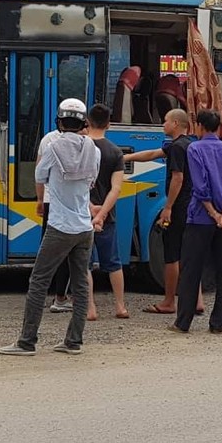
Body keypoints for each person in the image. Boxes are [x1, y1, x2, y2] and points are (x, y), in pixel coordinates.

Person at [0, 98, 100, 355]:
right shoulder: (94, 150)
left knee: (39, 281)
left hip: (59, 226)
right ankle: (73, 341)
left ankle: (27, 342)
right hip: (84, 227)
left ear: (59, 121)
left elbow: (39, 176)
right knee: (80, 285)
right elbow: (91, 181)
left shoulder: (52, 147)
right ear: (83, 123)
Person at [173, 109, 222, 334]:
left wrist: (214, 214)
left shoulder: (195, 149)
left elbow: (200, 186)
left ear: (201, 127)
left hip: (201, 219)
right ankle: (218, 324)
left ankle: (183, 322)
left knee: (192, 271)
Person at [124, 109, 201, 315]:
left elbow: (178, 178)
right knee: (190, 254)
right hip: (194, 206)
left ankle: (169, 301)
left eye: (165, 121)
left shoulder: (176, 148)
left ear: (176, 123)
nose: (163, 125)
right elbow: (152, 154)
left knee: (172, 255)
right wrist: (126, 157)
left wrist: (167, 208)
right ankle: (198, 301)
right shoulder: (190, 144)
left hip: (179, 206)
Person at [83, 104, 129, 321]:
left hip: (82, 216)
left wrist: (91, 210)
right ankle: (120, 306)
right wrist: (101, 215)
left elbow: (78, 185)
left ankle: (90, 308)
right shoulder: (115, 152)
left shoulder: (80, 148)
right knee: (113, 263)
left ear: (88, 122)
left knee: (85, 263)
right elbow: (116, 188)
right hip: (107, 216)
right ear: (109, 124)